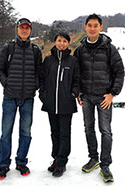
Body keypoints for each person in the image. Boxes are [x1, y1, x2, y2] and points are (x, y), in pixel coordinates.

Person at [73, 14, 124, 183]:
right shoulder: (80, 49)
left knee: (105, 131)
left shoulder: (109, 48)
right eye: (90, 25)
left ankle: (105, 164)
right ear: (85, 27)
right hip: (87, 96)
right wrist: (78, 92)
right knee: (88, 128)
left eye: (96, 25)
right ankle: (93, 158)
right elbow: (76, 73)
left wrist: (112, 94)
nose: (93, 28)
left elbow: (119, 72)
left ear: (101, 27)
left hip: (104, 97)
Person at [0, 18, 42, 179]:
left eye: (27, 28)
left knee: (26, 132)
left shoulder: (36, 50)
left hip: (28, 98)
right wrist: (6, 84)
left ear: (30, 30)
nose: (24, 30)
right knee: (6, 132)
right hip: (10, 97)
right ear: (17, 29)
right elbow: (0, 69)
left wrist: (34, 85)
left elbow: (39, 72)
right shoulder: (8, 48)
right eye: (21, 27)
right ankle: (4, 164)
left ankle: (21, 161)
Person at [39, 32, 80, 177]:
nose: (61, 43)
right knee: (54, 132)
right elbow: (42, 78)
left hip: (66, 104)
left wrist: (73, 94)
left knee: (64, 134)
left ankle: (62, 162)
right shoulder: (48, 60)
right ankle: (56, 158)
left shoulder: (73, 61)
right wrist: (43, 95)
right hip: (51, 103)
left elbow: (77, 81)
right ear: (55, 42)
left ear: (68, 43)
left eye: (64, 41)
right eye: (59, 40)